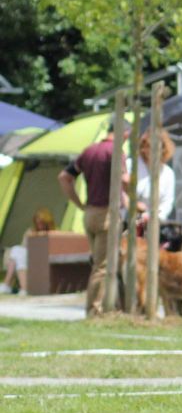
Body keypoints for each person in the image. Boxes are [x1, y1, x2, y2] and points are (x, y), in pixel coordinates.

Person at [58, 126, 128, 316]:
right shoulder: (116, 152)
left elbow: (65, 177)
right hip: (108, 213)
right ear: (125, 134)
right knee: (103, 266)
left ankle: (110, 306)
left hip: (89, 213)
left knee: (100, 263)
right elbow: (125, 180)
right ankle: (94, 311)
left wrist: (78, 203)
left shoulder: (89, 151)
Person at [129, 128, 176, 234]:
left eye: (158, 147)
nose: (153, 151)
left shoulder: (168, 173)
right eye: (149, 147)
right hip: (130, 222)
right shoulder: (130, 166)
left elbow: (167, 202)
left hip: (155, 225)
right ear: (143, 148)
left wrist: (155, 217)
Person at [1, 207, 56, 294]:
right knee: (17, 252)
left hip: (41, 258)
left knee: (17, 253)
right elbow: (24, 247)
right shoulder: (30, 231)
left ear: (47, 222)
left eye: (41, 223)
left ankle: (9, 285)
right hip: (28, 257)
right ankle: (20, 288)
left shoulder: (53, 233)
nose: (39, 225)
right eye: (37, 222)